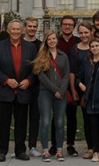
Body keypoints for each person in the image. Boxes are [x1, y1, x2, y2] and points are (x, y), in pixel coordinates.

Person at [0, 19, 37, 162]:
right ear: (8, 31)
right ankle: (2, 151)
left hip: (23, 91)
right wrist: (6, 80)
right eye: (13, 29)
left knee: (21, 124)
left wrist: (29, 81)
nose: (16, 31)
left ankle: (20, 150)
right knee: (3, 123)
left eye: (18, 29)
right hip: (5, 91)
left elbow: (35, 69)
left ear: (22, 31)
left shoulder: (30, 48)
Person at [33, 30, 70, 162]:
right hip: (46, 93)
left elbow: (66, 74)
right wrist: (55, 90)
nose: (52, 41)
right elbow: (41, 75)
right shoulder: (42, 55)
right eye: (49, 39)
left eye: (54, 38)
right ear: (46, 41)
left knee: (59, 122)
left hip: (61, 94)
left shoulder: (63, 56)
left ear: (57, 40)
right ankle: (45, 150)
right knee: (46, 122)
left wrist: (62, 90)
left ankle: (59, 150)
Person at [52, 15, 80, 157]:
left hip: (73, 86)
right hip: (56, 85)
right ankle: (54, 144)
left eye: (70, 24)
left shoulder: (79, 42)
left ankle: (70, 144)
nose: (67, 26)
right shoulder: (54, 41)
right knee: (56, 116)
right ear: (61, 25)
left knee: (71, 116)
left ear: (74, 27)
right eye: (65, 24)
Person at [69, 21, 95, 159]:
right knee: (85, 119)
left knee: (94, 119)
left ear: (92, 32)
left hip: (95, 90)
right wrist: (73, 89)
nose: (84, 35)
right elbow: (72, 72)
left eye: (86, 32)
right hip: (80, 87)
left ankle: (98, 146)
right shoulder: (75, 49)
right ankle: (90, 147)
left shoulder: (96, 47)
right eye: (81, 33)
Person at [24, 17, 43, 158]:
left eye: (34, 26)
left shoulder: (41, 45)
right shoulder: (19, 42)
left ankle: (32, 146)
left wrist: (30, 80)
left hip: (36, 85)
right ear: (25, 27)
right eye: (29, 26)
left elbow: (41, 66)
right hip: (20, 86)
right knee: (20, 117)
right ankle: (19, 146)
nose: (32, 28)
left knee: (35, 117)